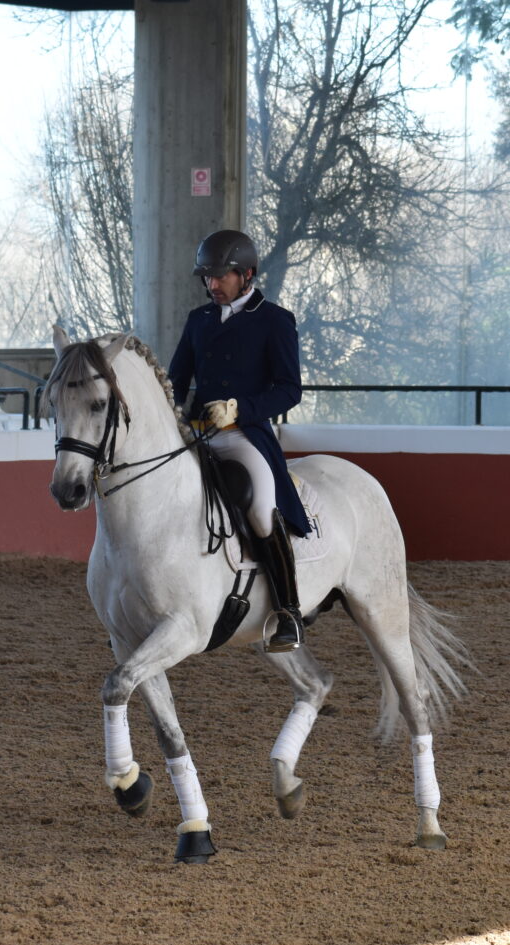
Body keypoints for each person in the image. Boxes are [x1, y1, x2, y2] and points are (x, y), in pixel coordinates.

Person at [168, 228, 312, 652]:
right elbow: (176, 381)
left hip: (241, 435)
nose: (212, 285)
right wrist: (174, 416)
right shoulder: (199, 320)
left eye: (221, 277)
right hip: (195, 434)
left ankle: (289, 612)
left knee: (262, 508)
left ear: (246, 274)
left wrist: (238, 409)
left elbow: (289, 390)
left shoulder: (275, 321)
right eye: (207, 278)